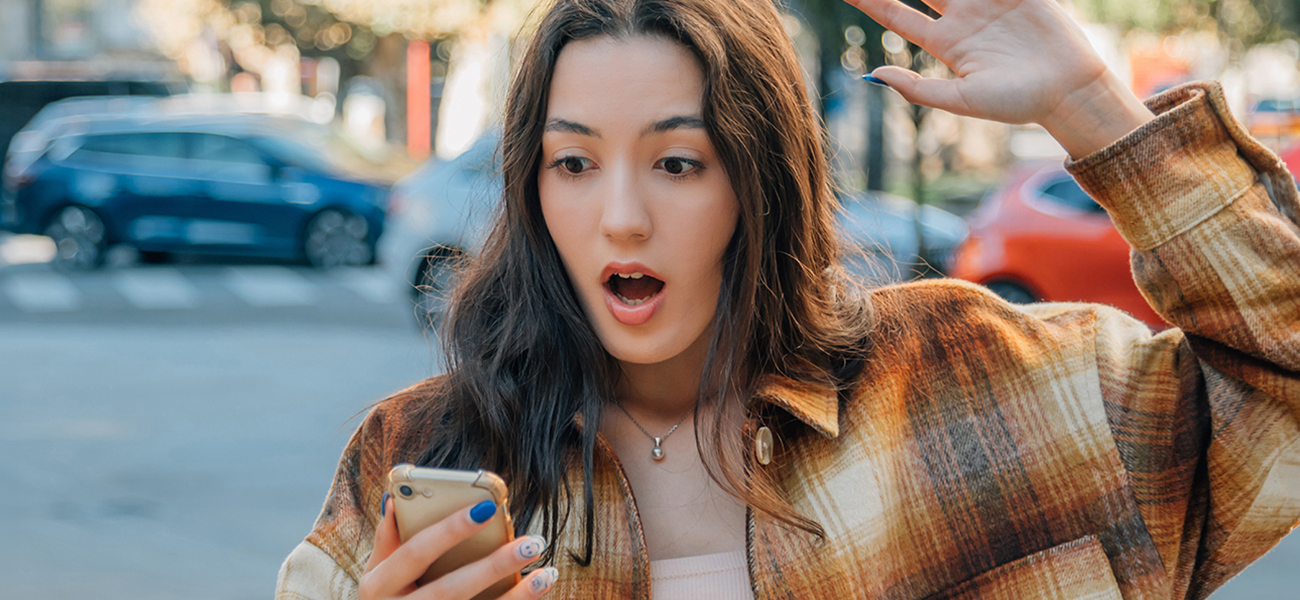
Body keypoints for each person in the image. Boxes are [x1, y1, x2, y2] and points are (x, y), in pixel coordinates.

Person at [277, 0, 1300, 598]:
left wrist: (1087, 103)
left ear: (758, 178)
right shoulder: (423, 460)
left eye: (678, 163)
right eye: (573, 163)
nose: (621, 218)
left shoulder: (987, 379)